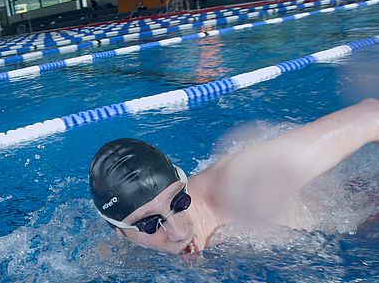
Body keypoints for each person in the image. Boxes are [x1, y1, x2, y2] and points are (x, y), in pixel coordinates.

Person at [88, 99, 379, 255]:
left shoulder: (241, 184)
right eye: (149, 224)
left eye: (179, 201)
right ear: (120, 232)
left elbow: (371, 115)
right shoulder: (128, 248)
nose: (179, 232)